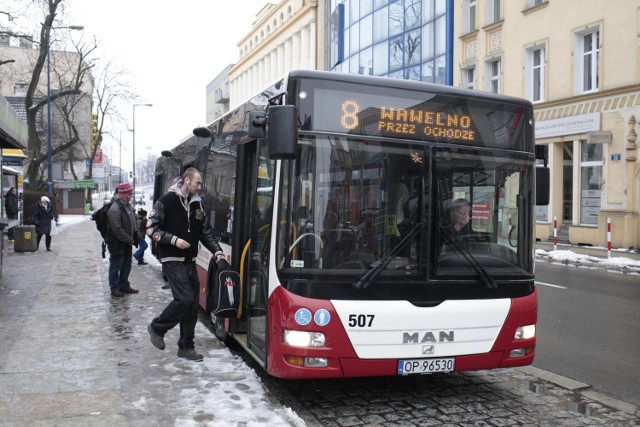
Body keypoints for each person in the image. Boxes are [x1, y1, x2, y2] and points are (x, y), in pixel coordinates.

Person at [147, 168, 226, 361]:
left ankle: (186, 347)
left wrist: (217, 251)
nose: (200, 187)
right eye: (197, 183)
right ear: (186, 180)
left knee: (192, 306)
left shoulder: (197, 205)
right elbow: (151, 229)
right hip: (172, 260)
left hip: (191, 260)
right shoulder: (165, 201)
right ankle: (157, 327)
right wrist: (173, 240)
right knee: (185, 299)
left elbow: (205, 232)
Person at [106, 182, 139, 297]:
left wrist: (135, 236)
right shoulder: (115, 208)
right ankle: (114, 288)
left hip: (127, 242)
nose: (132, 196)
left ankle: (124, 285)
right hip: (117, 243)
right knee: (116, 266)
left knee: (126, 265)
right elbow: (117, 230)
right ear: (124, 194)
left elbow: (132, 222)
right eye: (130, 194)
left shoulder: (127, 205)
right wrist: (130, 240)